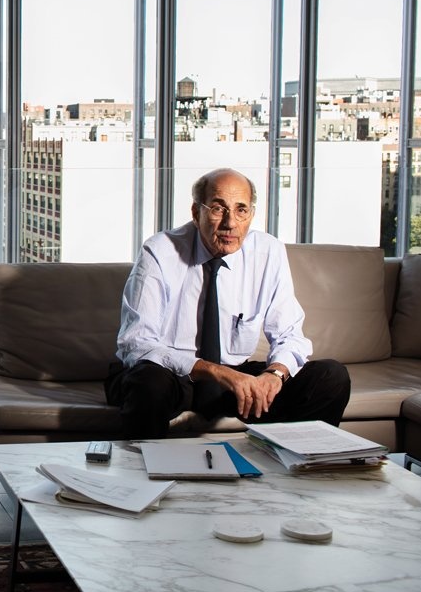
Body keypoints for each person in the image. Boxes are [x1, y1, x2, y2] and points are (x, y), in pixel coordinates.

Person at [105, 167, 351, 439]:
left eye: (241, 210)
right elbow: (136, 344)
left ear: (251, 215)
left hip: (233, 379)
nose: (230, 223)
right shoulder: (160, 250)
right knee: (148, 382)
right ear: (195, 213)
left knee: (331, 377)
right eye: (218, 208)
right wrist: (215, 372)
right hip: (171, 375)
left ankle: (292, 469)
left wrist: (274, 375)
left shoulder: (268, 252)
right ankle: (147, 475)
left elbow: (289, 335)